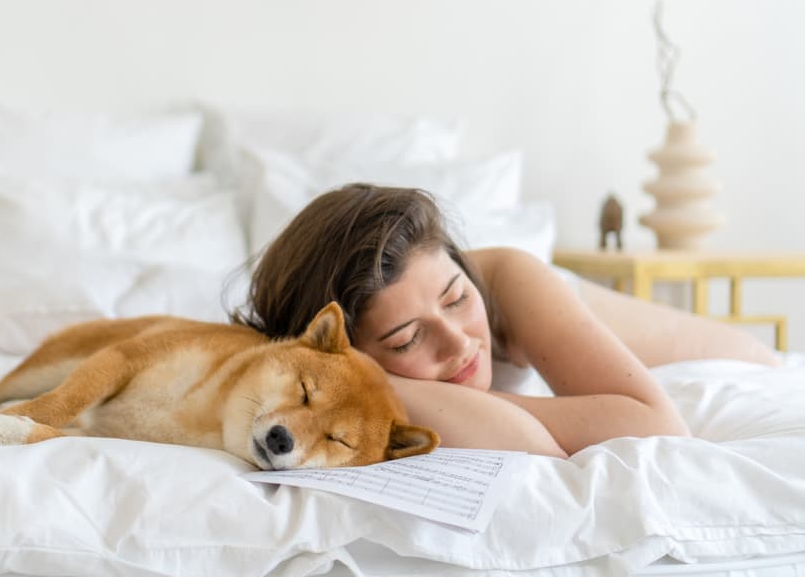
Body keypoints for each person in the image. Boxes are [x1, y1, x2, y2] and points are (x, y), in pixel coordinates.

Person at [232, 184, 782, 458]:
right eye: (407, 339)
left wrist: (394, 383)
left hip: (746, 360)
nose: (460, 341)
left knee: (759, 358)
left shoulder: (511, 282)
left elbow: (661, 430)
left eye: (455, 298)